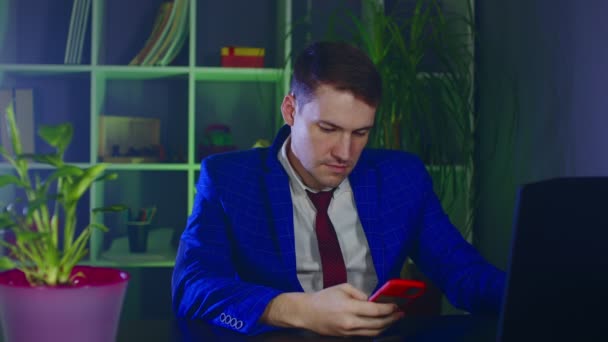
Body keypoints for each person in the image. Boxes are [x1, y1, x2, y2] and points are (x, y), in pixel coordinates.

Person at [172, 41, 505, 337]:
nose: (345, 153)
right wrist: (299, 311)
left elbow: (462, 272)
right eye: (328, 129)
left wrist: (532, 295)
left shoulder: (402, 177)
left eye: (360, 133)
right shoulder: (228, 179)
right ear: (290, 110)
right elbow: (190, 289)